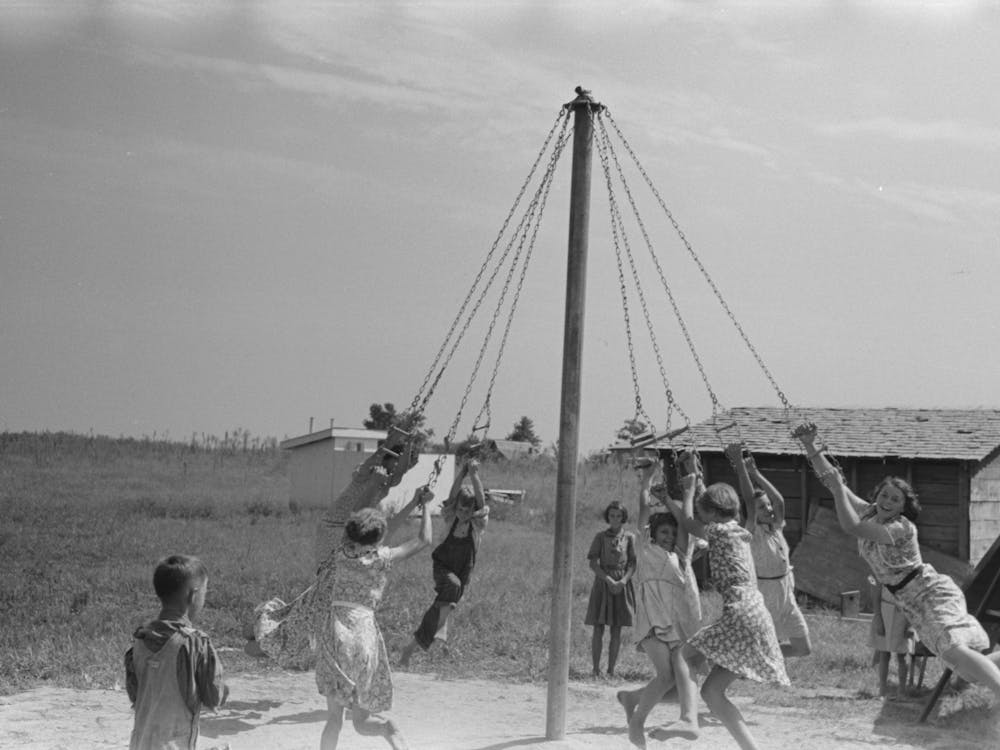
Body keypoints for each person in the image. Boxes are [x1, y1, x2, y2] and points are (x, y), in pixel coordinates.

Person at [793, 421, 1000, 702]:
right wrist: (810, 445)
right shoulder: (870, 512)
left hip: (930, 593)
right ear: (876, 497)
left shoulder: (901, 528)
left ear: (904, 506)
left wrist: (839, 491)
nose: (888, 501)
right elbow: (833, 480)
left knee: (954, 651)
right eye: (884, 495)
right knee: (960, 663)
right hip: (909, 601)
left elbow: (852, 526)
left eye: (895, 499)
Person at [660, 450, 789, 750]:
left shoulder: (716, 531)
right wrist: (741, 467)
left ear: (714, 515)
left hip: (741, 612)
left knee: (683, 656)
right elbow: (746, 499)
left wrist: (688, 489)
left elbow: (689, 521)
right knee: (713, 692)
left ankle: (688, 721)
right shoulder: (744, 530)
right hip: (758, 614)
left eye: (707, 515)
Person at [616, 459, 702, 748]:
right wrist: (647, 481)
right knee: (666, 677)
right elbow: (642, 512)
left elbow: (687, 528)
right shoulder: (645, 549)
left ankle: (632, 698)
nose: (668, 537)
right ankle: (637, 723)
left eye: (671, 533)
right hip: (652, 622)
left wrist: (689, 491)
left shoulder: (680, 557)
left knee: (683, 686)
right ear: (654, 535)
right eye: (663, 533)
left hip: (676, 624)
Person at [125, 554, 229, 750]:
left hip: (140, 743)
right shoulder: (196, 643)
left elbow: (135, 695)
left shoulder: (140, 639)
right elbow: (214, 697)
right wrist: (223, 687)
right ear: (193, 595)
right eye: (205, 592)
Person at [399, 459, 489, 668]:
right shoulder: (450, 519)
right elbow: (451, 497)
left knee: (441, 609)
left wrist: (474, 475)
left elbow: (482, 503)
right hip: (443, 567)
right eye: (460, 509)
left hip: (463, 571)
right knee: (452, 589)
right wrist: (462, 473)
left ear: (473, 511)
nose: (463, 514)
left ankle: (411, 648)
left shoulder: (477, 525)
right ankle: (440, 627)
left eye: (468, 511)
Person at [725, 442, 812, 659]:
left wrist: (756, 472)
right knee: (765, 637)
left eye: (767, 505)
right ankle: (753, 658)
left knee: (803, 649)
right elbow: (748, 501)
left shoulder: (775, 527)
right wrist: (741, 467)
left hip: (785, 593)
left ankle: (755, 657)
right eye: (763, 507)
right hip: (765, 592)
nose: (769, 509)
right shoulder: (751, 532)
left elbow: (779, 502)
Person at [314, 425, 417, 569]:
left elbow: (400, 471)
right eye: (397, 461)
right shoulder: (368, 471)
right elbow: (378, 454)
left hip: (354, 529)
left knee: (346, 570)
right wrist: (391, 441)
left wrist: (410, 443)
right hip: (334, 524)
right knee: (329, 569)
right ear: (389, 457)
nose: (404, 467)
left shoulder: (388, 481)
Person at [585, 499, 637, 678]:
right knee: (598, 627)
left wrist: (623, 581)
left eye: (619, 516)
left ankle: (611, 670)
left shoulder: (629, 538)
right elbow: (593, 563)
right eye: (612, 515)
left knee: (616, 628)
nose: (615, 519)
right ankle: (595, 669)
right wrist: (608, 580)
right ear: (608, 516)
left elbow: (632, 564)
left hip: (621, 585)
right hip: (603, 583)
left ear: (623, 517)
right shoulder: (600, 537)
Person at [868, 575, 914, 699]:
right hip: (885, 614)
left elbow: (914, 602)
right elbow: (875, 594)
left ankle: (902, 691)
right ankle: (882, 690)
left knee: (902, 656)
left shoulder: (910, 575)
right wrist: (878, 618)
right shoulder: (881, 575)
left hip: (903, 616)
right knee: (884, 654)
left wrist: (910, 626)